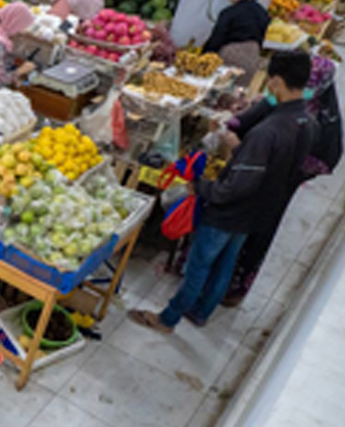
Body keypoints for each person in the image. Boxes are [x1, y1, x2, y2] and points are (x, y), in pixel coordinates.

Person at [131, 51, 317, 332]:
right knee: (226, 262)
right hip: (257, 210)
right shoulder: (307, 123)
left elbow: (233, 187)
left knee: (199, 264)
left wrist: (200, 187)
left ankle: (167, 319)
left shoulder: (268, 131)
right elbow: (274, 167)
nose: (268, 87)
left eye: (269, 81)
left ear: (277, 82)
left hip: (230, 211)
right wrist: (239, 149)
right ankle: (201, 312)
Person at [218, 53, 342, 306]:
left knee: (264, 216)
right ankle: (226, 273)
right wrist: (236, 117)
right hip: (280, 165)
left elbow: (264, 163)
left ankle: (236, 283)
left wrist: (239, 145)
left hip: (295, 167)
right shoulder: (300, 99)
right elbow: (267, 106)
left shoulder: (306, 121)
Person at [203, 0, 272, 88]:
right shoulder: (263, 13)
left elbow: (216, 40)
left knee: (216, 89)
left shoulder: (229, 13)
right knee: (236, 94)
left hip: (229, 57)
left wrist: (203, 58)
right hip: (252, 59)